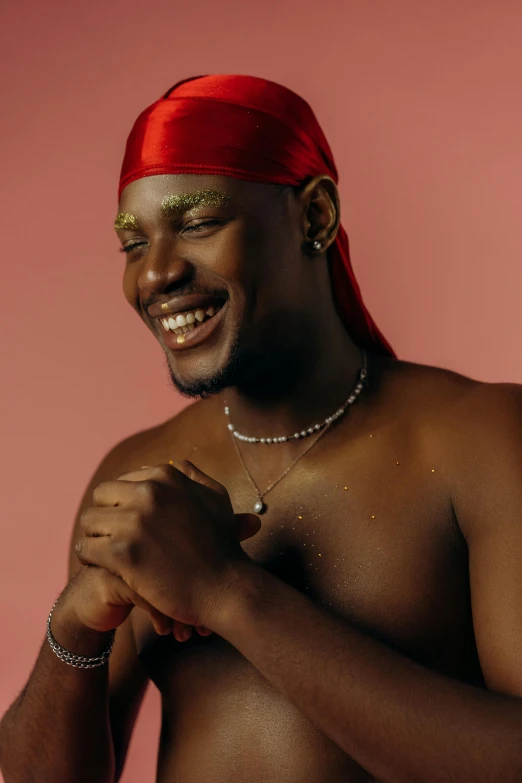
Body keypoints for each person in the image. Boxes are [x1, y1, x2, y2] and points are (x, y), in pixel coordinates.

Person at [1, 74, 521, 783]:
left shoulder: (480, 439)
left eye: (197, 222)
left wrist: (227, 591)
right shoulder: (138, 477)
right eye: (132, 243)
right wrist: (73, 627)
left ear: (315, 217)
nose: (154, 273)